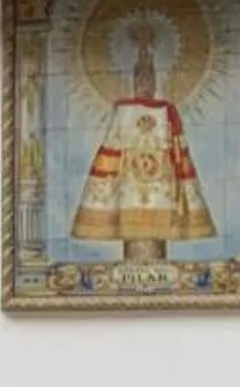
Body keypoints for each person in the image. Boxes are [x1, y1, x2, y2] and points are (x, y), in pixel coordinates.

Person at [70, 23, 217, 262]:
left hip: (161, 189)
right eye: (140, 77)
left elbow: (177, 151)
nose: (145, 84)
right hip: (128, 189)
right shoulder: (123, 111)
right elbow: (111, 148)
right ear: (133, 79)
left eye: (150, 78)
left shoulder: (167, 111)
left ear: (156, 81)